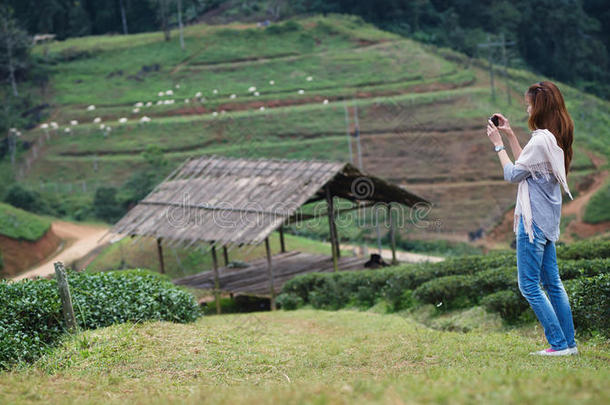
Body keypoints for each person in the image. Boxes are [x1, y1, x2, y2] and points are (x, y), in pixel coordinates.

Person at [486, 81, 578, 356]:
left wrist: (498, 146)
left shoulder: (540, 140)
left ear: (538, 107)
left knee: (528, 286)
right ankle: (569, 344)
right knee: (552, 283)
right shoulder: (554, 137)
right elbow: (527, 166)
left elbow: (513, 174)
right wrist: (511, 135)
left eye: (528, 104)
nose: (526, 108)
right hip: (547, 221)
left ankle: (559, 344)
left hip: (532, 222)